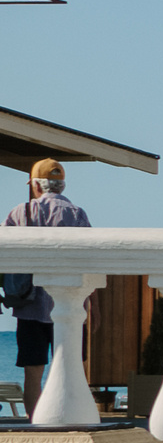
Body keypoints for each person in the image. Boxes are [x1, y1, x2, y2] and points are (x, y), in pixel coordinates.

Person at [4, 159, 92, 412]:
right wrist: (92, 306)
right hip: (71, 305)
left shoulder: (20, 212)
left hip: (29, 305)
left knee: (33, 373)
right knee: (73, 370)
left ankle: (36, 425)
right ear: (61, 185)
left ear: (36, 184)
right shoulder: (77, 214)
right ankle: (72, 419)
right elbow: (89, 260)